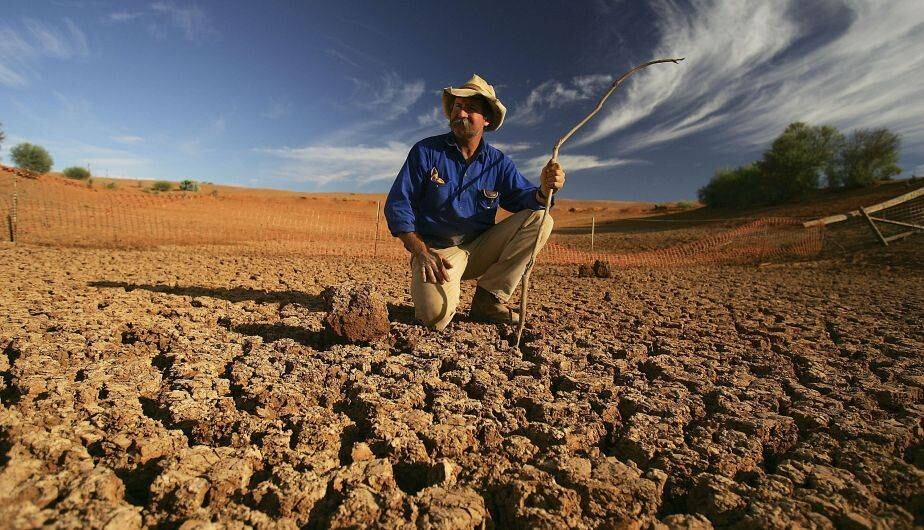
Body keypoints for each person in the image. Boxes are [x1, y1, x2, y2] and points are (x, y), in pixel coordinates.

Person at [385, 74, 565, 330]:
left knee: (541, 219)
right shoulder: (426, 151)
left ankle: (489, 300)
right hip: (438, 253)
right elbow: (398, 203)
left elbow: (525, 199)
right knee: (433, 319)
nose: (462, 113)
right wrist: (420, 251)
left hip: (481, 247)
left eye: (471, 108)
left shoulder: (498, 163)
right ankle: (444, 290)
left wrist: (546, 189)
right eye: (458, 106)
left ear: (487, 119)